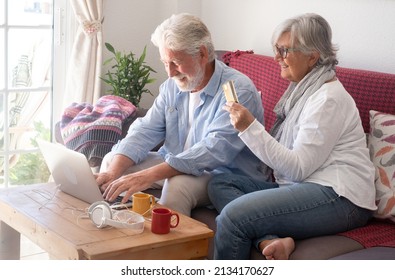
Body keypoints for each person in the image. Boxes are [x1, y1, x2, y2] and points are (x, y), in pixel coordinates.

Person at [207, 13, 377, 260]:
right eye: (277, 49)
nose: (277, 57)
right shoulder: (300, 90)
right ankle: (272, 241)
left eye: (284, 50)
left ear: (312, 56)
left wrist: (249, 127)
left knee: (234, 216)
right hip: (301, 184)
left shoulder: (327, 99)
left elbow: (297, 168)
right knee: (221, 183)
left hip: (341, 198)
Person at [96, 13, 267, 216]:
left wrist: (147, 176)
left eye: (175, 62)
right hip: (177, 162)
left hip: (222, 175)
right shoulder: (172, 86)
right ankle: (119, 229)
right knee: (111, 163)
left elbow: (212, 150)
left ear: (202, 54)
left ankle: (166, 246)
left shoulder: (237, 90)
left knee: (179, 185)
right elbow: (145, 130)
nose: (169, 73)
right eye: (165, 62)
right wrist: (113, 172)